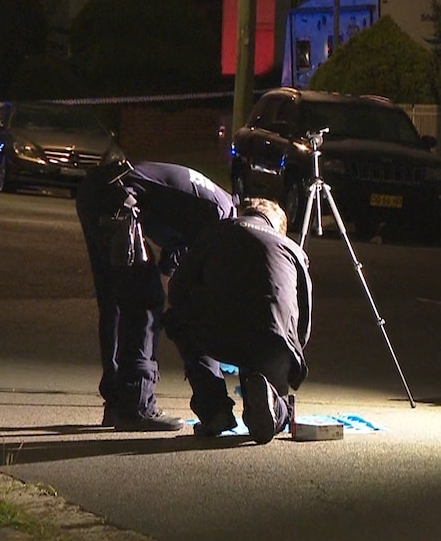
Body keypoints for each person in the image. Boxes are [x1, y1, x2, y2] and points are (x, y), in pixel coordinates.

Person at [76, 160, 236, 431]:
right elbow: (194, 286)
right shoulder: (221, 216)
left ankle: (117, 400)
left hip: (98, 191)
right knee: (145, 300)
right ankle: (136, 404)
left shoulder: (208, 205)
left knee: (115, 299)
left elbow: (174, 257)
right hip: (121, 201)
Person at [164, 198, 312, 445]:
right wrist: (291, 360)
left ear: (245, 212)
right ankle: (272, 402)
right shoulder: (292, 249)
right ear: (277, 225)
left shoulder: (215, 232)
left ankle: (214, 410)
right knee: (272, 404)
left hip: (219, 332)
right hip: (272, 339)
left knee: (178, 319)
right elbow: (304, 317)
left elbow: (178, 288)